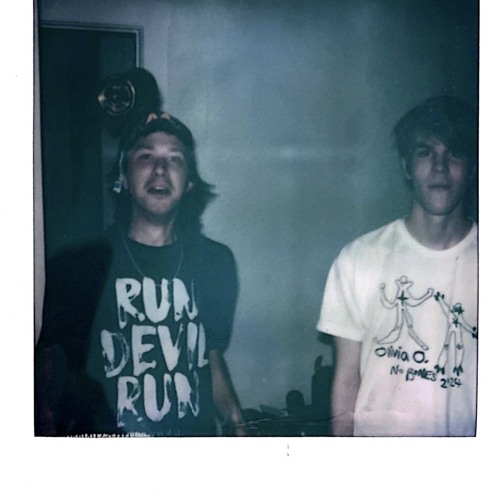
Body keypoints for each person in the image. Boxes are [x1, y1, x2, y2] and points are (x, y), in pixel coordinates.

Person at [35, 110, 247, 437]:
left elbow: (210, 360)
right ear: (123, 177)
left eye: (174, 159)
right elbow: (47, 375)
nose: (160, 169)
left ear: (190, 182)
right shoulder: (80, 265)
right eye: (146, 156)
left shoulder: (216, 262)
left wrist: (238, 423)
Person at [316, 95, 478, 436]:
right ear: (406, 166)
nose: (440, 167)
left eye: (454, 153)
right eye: (425, 152)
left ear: (473, 168)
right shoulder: (357, 260)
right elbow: (345, 382)